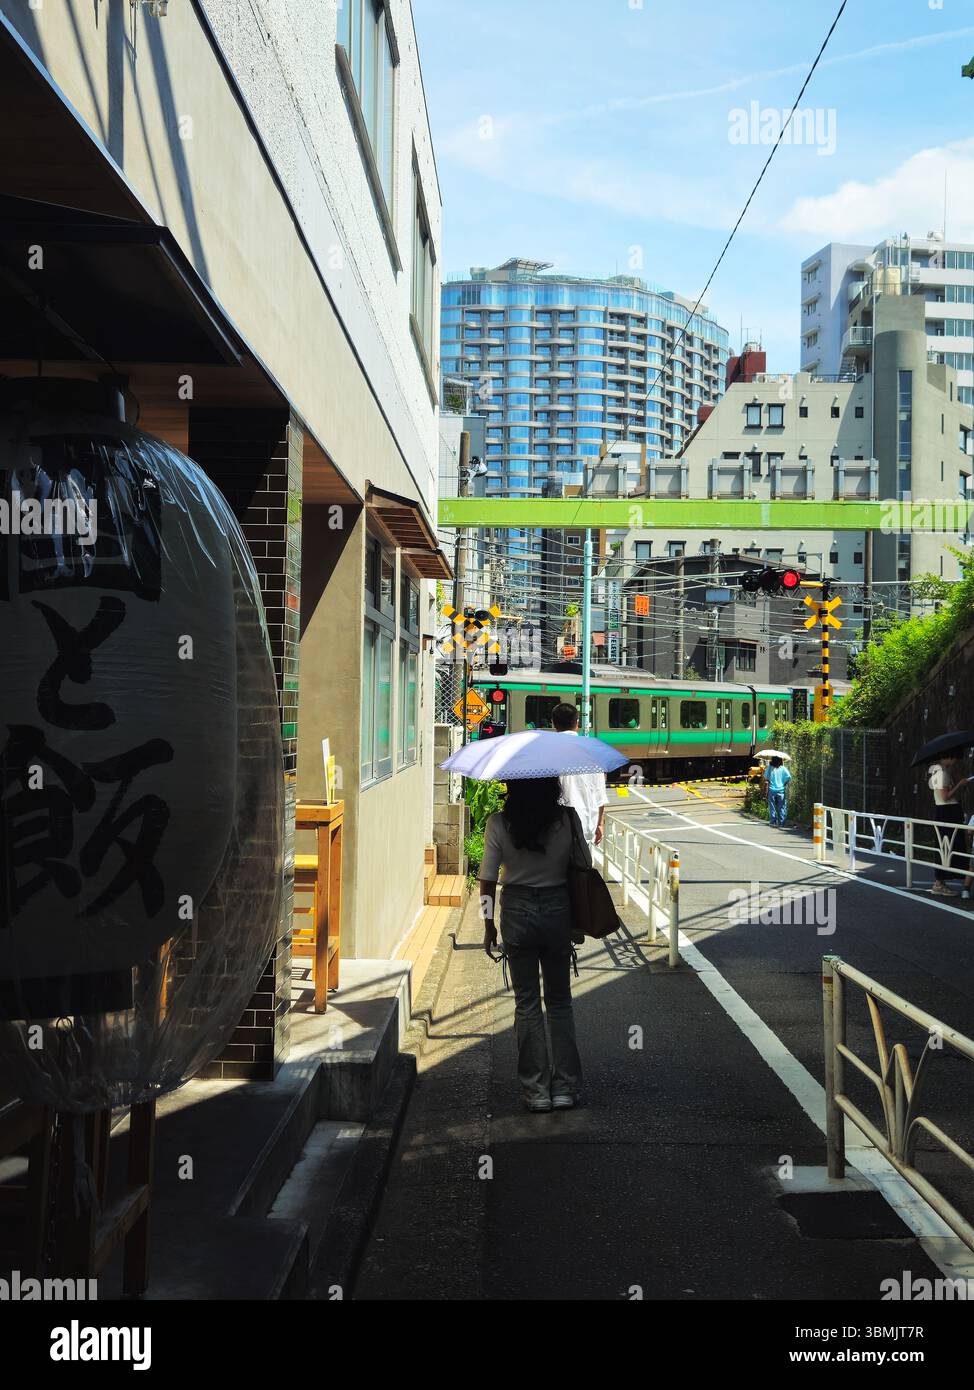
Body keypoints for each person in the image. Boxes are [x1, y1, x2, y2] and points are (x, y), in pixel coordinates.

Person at [479, 778, 590, 1113]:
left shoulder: (499, 823)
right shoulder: (567, 819)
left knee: (526, 1003)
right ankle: (565, 1089)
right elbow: (585, 866)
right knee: (559, 1002)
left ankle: (536, 1091)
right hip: (558, 909)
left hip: (517, 912)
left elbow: (486, 879)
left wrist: (488, 925)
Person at [550, 702, 608, 849]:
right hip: (586, 827)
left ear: (553, 723)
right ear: (577, 723)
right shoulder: (593, 752)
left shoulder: (548, 752)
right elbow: (600, 794)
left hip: (556, 829)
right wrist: (600, 824)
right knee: (584, 869)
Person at [927, 754, 971, 897]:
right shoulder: (940, 773)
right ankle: (939, 883)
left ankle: (941, 882)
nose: (954, 760)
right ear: (946, 757)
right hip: (947, 813)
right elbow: (945, 797)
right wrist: (960, 784)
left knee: (946, 846)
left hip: (946, 812)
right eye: (953, 757)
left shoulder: (938, 771)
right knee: (947, 845)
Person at [763, 756, 792, 827]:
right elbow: (788, 777)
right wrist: (783, 784)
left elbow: (765, 777)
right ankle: (782, 822)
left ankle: (773, 821)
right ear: (780, 761)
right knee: (782, 806)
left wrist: (770, 780)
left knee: (772, 806)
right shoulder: (783, 768)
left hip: (772, 789)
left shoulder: (770, 768)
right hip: (781, 790)